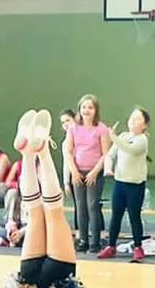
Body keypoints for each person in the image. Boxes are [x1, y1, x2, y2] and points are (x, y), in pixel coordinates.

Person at [5, 109, 93, 288]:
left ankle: (39, 151)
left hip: (48, 280)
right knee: (38, 214)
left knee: (50, 215)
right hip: (44, 279)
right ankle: (28, 154)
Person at [97, 107, 151, 262]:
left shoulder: (142, 140)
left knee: (134, 216)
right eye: (132, 117)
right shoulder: (123, 136)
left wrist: (114, 138)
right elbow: (111, 155)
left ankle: (138, 246)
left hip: (135, 185)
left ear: (145, 125)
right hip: (120, 183)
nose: (133, 121)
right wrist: (108, 168)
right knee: (116, 215)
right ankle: (111, 246)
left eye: (137, 119)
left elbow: (130, 149)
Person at [63, 94, 110, 253]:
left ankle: (95, 242)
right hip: (78, 171)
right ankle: (82, 240)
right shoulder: (73, 128)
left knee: (92, 205)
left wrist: (94, 172)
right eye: (84, 107)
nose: (86, 110)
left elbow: (105, 154)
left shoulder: (101, 129)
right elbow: (68, 152)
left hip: (94, 172)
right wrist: (74, 172)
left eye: (90, 107)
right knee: (80, 206)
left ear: (95, 110)